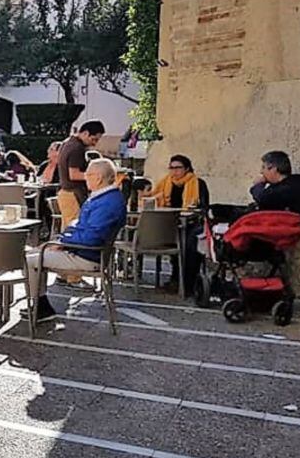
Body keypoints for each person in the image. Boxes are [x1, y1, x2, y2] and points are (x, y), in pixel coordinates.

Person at [24, 158, 127, 322]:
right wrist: (62, 239)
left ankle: (40, 306)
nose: (85, 177)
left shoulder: (106, 202)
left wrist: (63, 243)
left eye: (88, 174)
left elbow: (91, 237)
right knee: (34, 253)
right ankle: (40, 304)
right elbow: (78, 225)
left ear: (98, 178)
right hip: (85, 251)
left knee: (28, 260)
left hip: (87, 256)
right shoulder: (106, 197)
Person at [143, 154, 210, 295]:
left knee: (189, 243)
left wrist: (192, 209)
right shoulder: (165, 182)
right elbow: (153, 199)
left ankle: (187, 283)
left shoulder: (197, 183)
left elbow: (203, 207)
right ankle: (175, 279)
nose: (174, 171)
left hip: (191, 223)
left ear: (186, 168)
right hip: (169, 224)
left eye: (178, 168)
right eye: (171, 168)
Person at [55, 120, 106, 228]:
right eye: (94, 139)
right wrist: (97, 176)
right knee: (73, 229)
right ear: (85, 133)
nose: (94, 143)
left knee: (68, 228)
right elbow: (74, 174)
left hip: (65, 192)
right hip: (72, 193)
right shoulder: (77, 148)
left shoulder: (67, 142)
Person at [250, 150, 300, 222]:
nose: (261, 172)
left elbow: (263, 198)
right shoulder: (279, 186)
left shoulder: (295, 184)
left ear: (273, 168)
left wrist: (258, 185)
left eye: (263, 167)